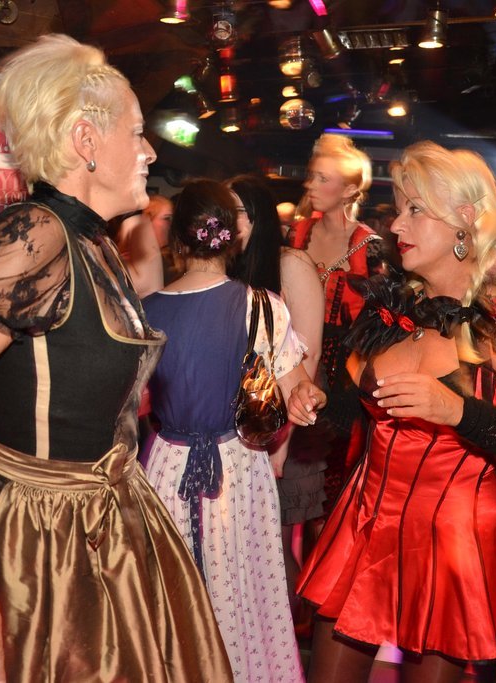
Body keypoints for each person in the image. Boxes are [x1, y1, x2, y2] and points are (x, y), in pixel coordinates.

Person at [0, 35, 231, 682]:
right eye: (136, 133)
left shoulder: (94, 244)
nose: (149, 151)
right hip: (36, 541)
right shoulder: (34, 237)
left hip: (103, 524)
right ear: (86, 141)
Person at [288, 141, 496, 682]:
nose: (397, 224)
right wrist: (312, 398)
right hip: (367, 521)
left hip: (456, 535)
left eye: (415, 210)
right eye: (399, 208)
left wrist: (458, 412)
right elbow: (352, 412)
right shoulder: (392, 313)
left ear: (463, 220)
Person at [142, 178, 310, 682]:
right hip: (237, 465)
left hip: (166, 465)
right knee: (243, 592)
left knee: (168, 593)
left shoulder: (146, 310)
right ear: (233, 237)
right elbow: (296, 386)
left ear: (177, 240)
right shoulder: (263, 305)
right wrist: (306, 399)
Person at [226, 173, 325, 613]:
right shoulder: (226, 267)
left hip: (285, 424)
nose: (226, 222)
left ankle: (287, 638)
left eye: (236, 213)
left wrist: (281, 443)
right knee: (242, 551)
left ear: (259, 218)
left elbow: (308, 357)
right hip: (241, 426)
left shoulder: (291, 264)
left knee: (274, 548)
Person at [285, 133, 392, 537]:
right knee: (291, 478)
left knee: (331, 482)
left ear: (349, 190)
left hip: (343, 371)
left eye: (323, 179)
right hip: (292, 358)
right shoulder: (297, 234)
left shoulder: (368, 246)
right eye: (311, 176)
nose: (310, 185)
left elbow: (378, 324)